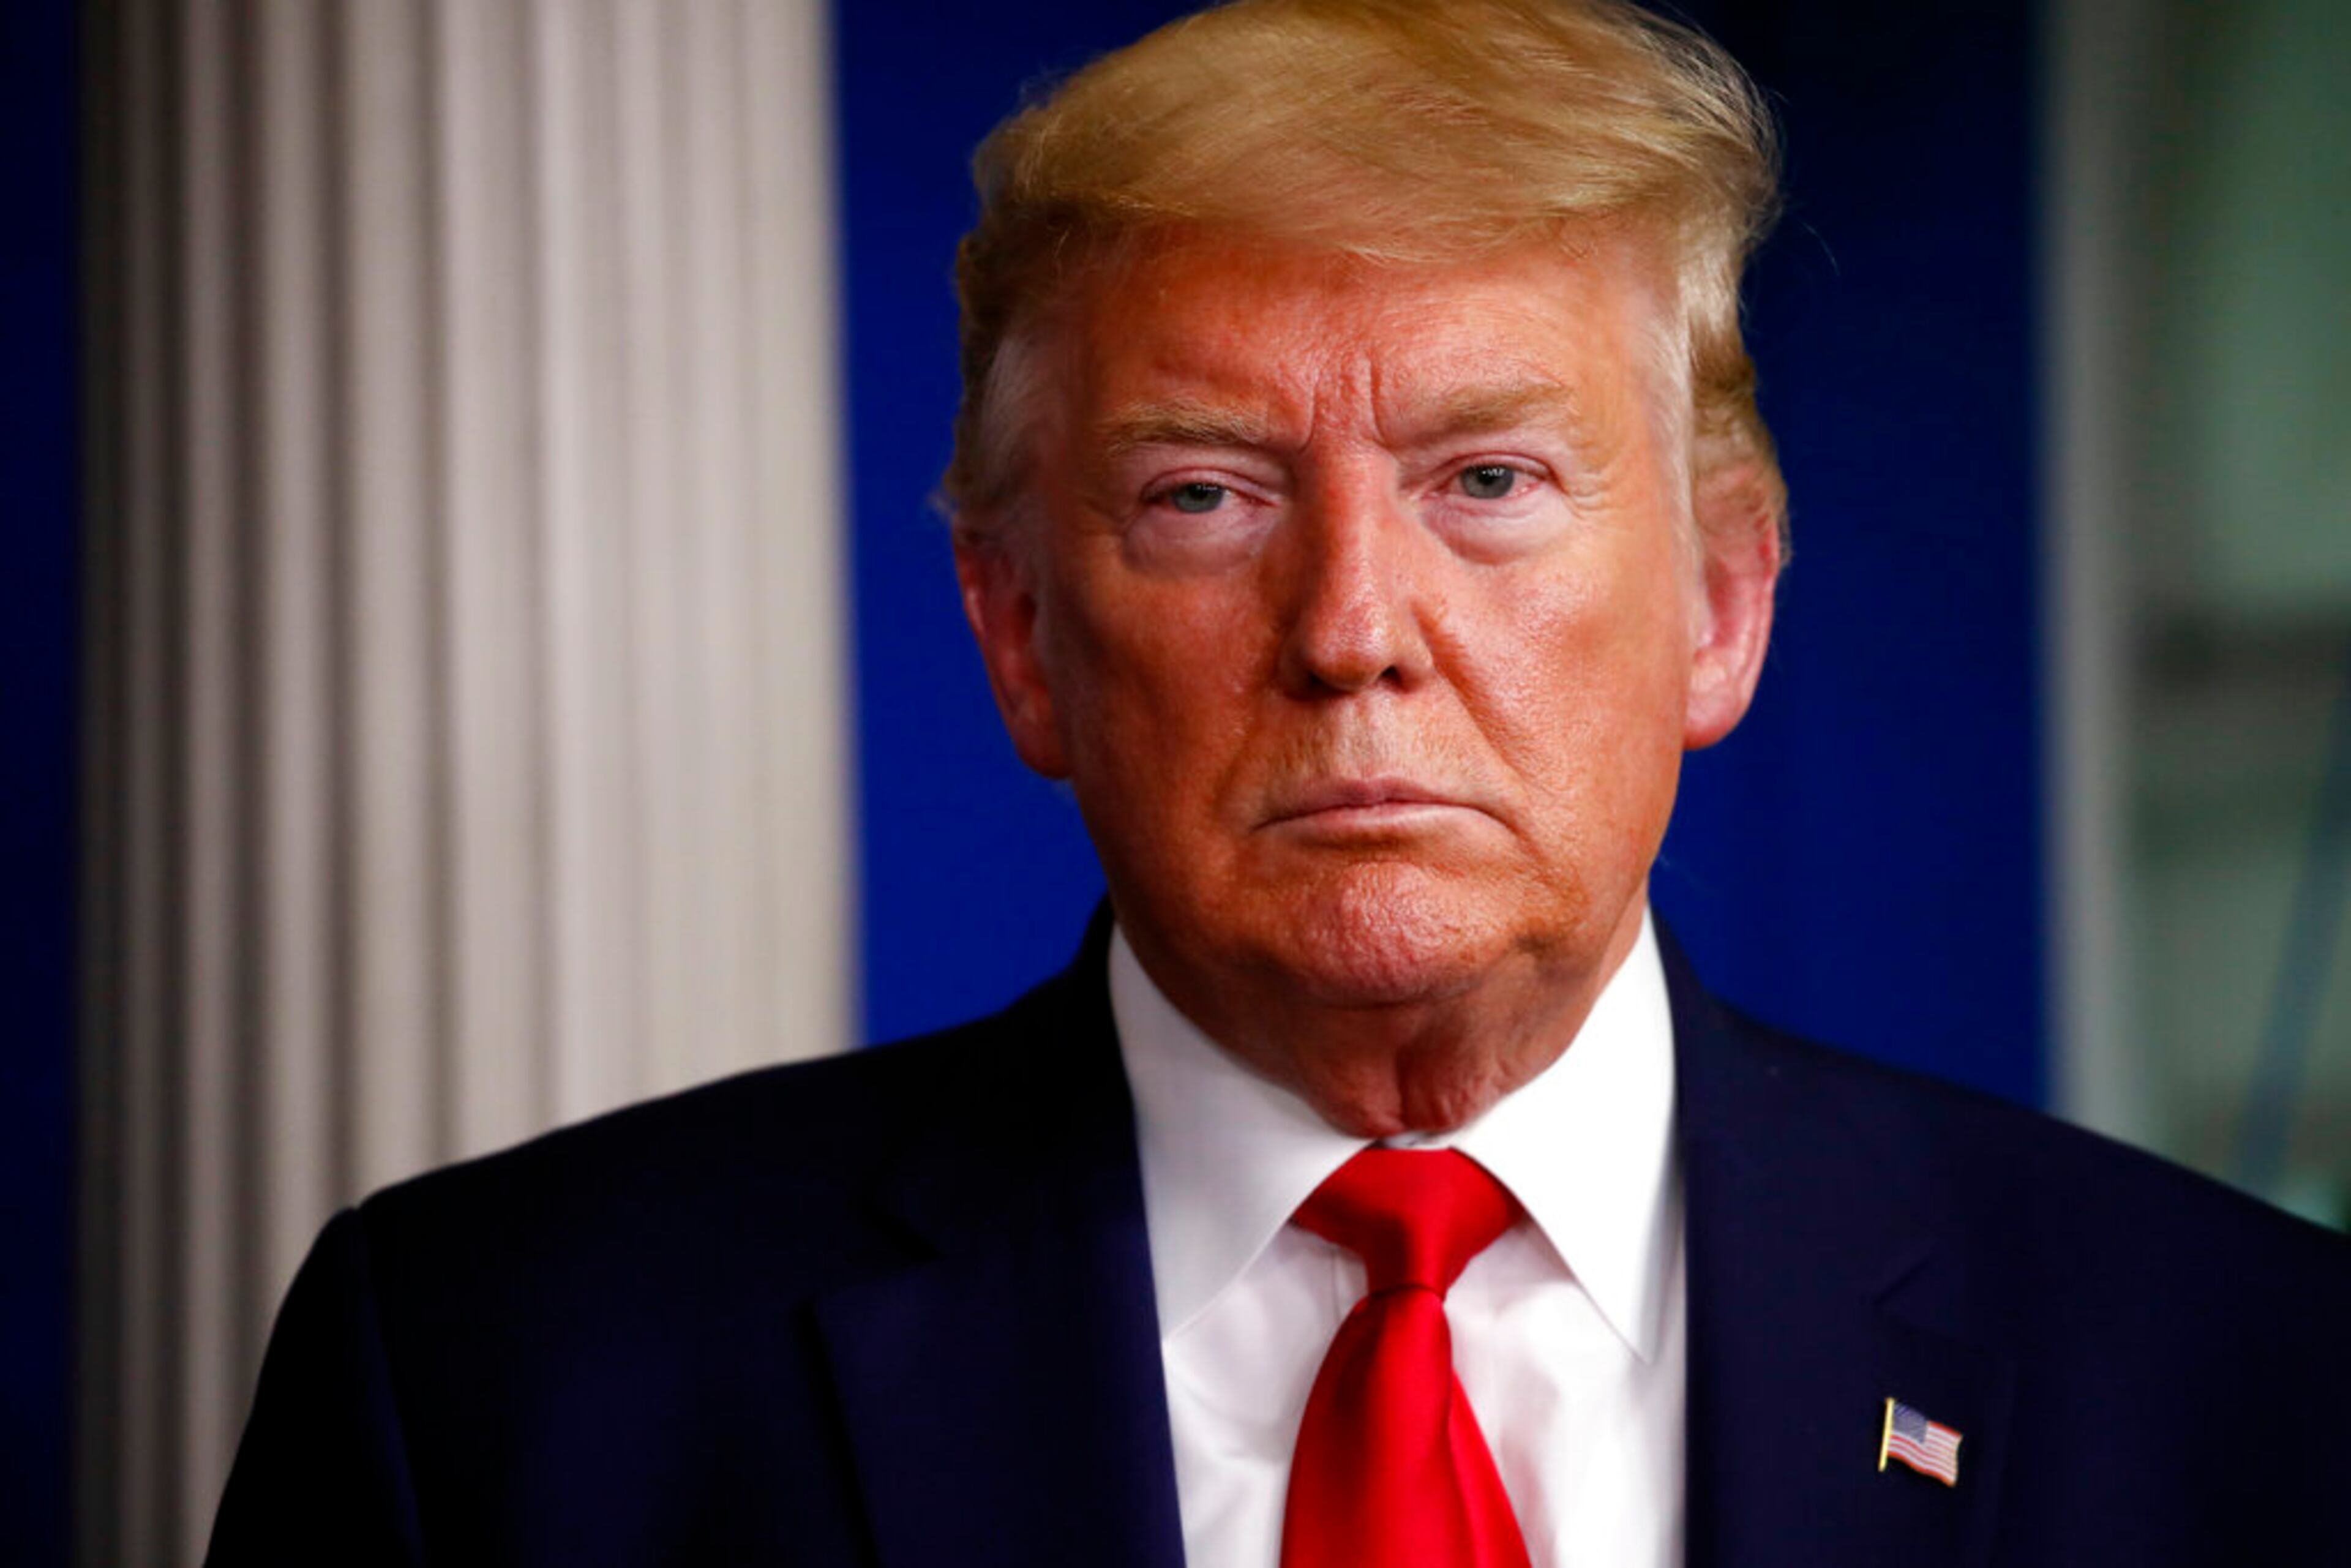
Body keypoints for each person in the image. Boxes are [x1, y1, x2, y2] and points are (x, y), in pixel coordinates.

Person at [208, 1, 2351, 1564]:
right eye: (1209, 495)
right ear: (1022, 633)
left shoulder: (2249, 1381)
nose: (1352, 624)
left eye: (1490, 480)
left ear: (1723, 603)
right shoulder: (502, 1385)